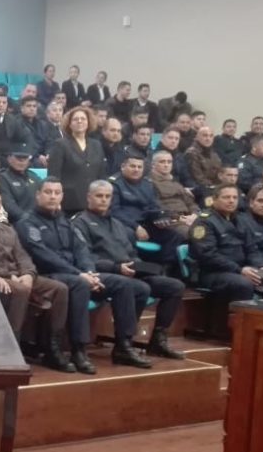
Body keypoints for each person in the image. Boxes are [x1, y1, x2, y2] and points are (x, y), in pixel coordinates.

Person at [17, 178, 149, 374]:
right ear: (38, 195)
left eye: (57, 192)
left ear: (62, 196)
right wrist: (80, 274)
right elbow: (43, 256)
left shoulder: (65, 221)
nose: (53, 196)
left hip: (77, 273)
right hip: (49, 275)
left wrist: (89, 272)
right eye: (48, 192)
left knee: (124, 284)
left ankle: (124, 345)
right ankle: (79, 349)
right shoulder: (27, 222)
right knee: (79, 284)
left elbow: (81, 249)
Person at [73, 181, 186, 360]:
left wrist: (139, 267)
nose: (103, 200)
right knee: (138, 288)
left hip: (128, 271)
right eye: (99, 196)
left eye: (107, 196)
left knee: (174, 286)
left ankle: (158, 340)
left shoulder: (118, 224)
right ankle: (124, 343)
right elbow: (85, 258)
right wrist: (116, 268)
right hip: (104, 273)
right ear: (89, 197)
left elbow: (131, 253)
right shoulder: (80, 223)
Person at [0, 187, 72, 370]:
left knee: (59, 289)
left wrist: (28, 274)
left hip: (19, 276)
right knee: (20, 291)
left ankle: (52, 349)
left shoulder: (7, 229)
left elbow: (22, 256)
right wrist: (10, 276)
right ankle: (11, 349)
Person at [188, 184, 263, 314]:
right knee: (243, 284)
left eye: (234, 197)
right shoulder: (204, 222)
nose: (231, 201)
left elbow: (251, 248)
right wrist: (240, 270)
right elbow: (208, 255)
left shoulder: (241, 220)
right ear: (214, 199)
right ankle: (236, 324)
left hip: (239, 270)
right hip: (212, 272)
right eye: (226, 197)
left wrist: (261, 266)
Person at [110, 154, 184, 266]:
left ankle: (165, 268)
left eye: (139, 167)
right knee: (129, 234)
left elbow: (153, 207)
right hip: (125, 224)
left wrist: (159, 218)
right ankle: (134, 267)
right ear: (123, 167)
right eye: (132, 166)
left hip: (146, 222)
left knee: (174, 235)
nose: (136, 170)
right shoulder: (115, 184)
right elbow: (114, 211)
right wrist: (136, 227)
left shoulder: (147, 184)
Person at [47, 106, 106, 215]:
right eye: (75, 119)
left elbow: (101, 174)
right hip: (69, 203)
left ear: (88, 122)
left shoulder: (96, 145)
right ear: (69, 124)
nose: (79, 121)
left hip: (93, 202)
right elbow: (54, 175)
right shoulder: (60, 144)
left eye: (83, 119)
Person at [148, 150, 198, 238]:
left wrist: (195, 214)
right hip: (171, 221)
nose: (166, 165)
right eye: (162, 162)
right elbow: (157, 207)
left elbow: (190, 202)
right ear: (153, 164)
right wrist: (180, 218)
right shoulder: (150, 183)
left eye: (169, 162)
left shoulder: (175, 183)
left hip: (189, 218)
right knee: (197, 235)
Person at [0, 144, 43, 224]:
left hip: (38, 220)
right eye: (18, 158)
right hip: (16, 222)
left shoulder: (34, 177)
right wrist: (27, 219)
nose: (21, 161)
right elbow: (8, 205)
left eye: (25, 158)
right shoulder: (3, 178)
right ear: (9, 159)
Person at [187, 125, 224, 193]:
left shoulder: (214, 154)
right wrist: (213, 186)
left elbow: (220, 173)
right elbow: (198, 177)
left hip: (214, 187)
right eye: (205, 135)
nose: (208, 138)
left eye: (211, 136)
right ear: (197, 137)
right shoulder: (191, 153)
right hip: (200, 189)